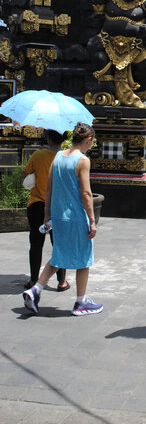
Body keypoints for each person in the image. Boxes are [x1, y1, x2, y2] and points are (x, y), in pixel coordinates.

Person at [22, 123, 102, 317]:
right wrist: (92, 220)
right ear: (88, 140)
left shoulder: (58, 157)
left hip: (58, 215)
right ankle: (81, 302)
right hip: (75, 215)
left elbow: (48, 188)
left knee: (59, 254)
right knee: (84, 258)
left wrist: (47, 214)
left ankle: (35, 290)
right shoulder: (82, 160)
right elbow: (86, 193)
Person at [23, 129, 69, 291]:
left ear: (48, 139)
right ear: (63, 139)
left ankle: (34, 280)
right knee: (59, 244)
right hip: (59, 206)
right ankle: (62, 281)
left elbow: (25, 175)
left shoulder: (38, 155)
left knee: (36, 244)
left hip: (37, 205)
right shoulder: (66, 157)